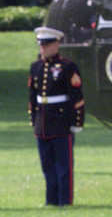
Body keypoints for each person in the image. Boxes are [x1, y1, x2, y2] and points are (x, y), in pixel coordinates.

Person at [28, 27, 84, 206]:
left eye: (47, 44)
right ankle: (50, 200)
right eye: (41, 44)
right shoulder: (36, 67)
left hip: (61, 121)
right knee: (47, 165)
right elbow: (32, 97)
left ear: (56, 44)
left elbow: (77, 97)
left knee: (63, 166)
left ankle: (64, 201)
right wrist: (33, 120)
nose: (43, 48)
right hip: (42, 122)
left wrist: (76, 122)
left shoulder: (68, 67)